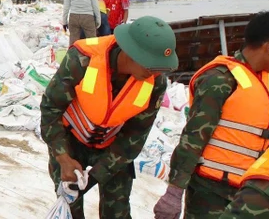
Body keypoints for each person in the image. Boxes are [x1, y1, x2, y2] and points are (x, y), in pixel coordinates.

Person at [153, 11, 269, 219]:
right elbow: (193, 138)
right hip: (210, 193)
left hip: (250, 193)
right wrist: (174, 192)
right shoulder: (220, 79)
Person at [39, 16, 178, 218]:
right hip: (70, 141)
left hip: (114, 147)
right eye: (151, 67)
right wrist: (63, 157)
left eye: (159, 69)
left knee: (117, 212)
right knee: (70, 207)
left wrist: (96, 175)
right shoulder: (82, 60)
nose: (155, 74)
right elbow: (51, 108)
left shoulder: (155, 83)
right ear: (130, 52)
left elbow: (134, 137)